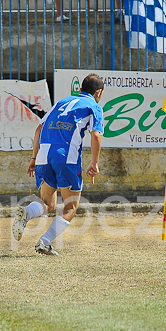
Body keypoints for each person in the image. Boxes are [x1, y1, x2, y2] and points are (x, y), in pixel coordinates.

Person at [12, 73, 104, 256]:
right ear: (98, 93)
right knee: (70, 206)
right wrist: (94, 162)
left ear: (80, 89)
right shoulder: (93, 106)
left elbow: (39, 128)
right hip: (66, 157)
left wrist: (33, 158)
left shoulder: (61, 102)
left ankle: (28, 212)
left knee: (48, 203)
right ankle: (44, 242)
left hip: (43, 156)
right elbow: (96, 134)